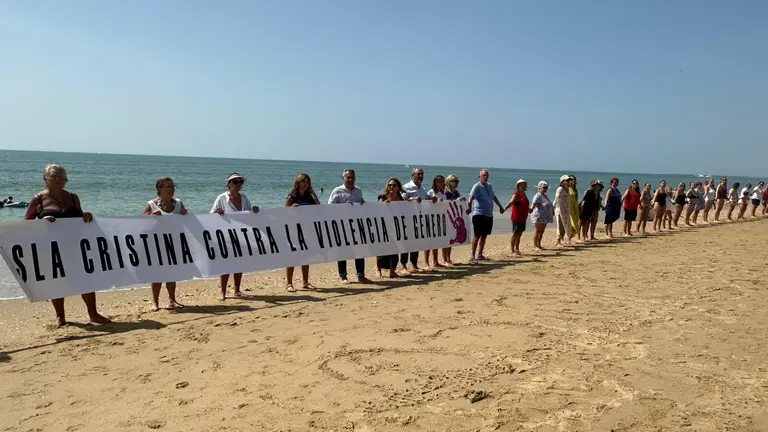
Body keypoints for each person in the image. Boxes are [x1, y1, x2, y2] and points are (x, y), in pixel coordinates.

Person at [23, 164, 111, 327]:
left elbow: (79, 219)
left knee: (86, 278)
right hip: (51, 247)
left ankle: (93, 314)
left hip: (75, 245)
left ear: (66, 180)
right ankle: (60, 317)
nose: (58, 179)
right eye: (54, 176)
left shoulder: (73, 197)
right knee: (58, 280)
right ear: (45, 178)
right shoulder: (39, 199)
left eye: (61, 177)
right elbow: (26, 223)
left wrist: (86, 215)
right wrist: (41, 223)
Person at [211, 173, 260, 300]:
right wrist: (217, 212)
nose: (238, 184)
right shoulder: (221, 198)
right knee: (226, 264)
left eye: (240, 182)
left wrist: (254, 211)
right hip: (226, 236)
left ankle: (237, 290)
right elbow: (210, 215)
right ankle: (223, 292)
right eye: (235, 182)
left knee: (239, 264)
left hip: (241, 235)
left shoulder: (244, 198)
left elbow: (248, 214)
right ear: (229, 184)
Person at [143, 177, 188, 311]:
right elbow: (141, 221)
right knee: (157, 273)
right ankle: (155, 302)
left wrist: (185, 215)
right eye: (168, 186)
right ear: (160, 188)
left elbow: (187, 221)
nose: (171, 189)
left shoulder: (178, 203)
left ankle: (172, 300)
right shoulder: (152, 204)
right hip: (156, 243)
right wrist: (151, 215)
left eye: (173, 186)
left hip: (174, 242)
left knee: (171, 273)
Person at [328, 169, 370, 284]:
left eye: (352, 177)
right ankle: (343, 276)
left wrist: (363, 203)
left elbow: (361, 205)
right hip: (342, 226)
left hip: (356, 225)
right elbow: (329, 208)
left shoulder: (358, 191)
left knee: (360, 250)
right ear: (343, 178)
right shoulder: (337, 191)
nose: (350, 179)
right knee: (343, 251)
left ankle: (361, 275)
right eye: (348, 177)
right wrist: (342, 207)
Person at [285, 173, 320, 292]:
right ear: (298, 183)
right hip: (294, 230)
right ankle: (289, 283)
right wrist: (291, 209)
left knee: (306, 256)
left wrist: (314, 193)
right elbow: (283, 212)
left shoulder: (309, 197)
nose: (305, 184)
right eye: (303, 181)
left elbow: (318, 207)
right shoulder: (292, 196)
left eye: (307, 182)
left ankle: (305, 282)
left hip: (307, 229)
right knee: (292, 256)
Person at [401, 168, 438, 271]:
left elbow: (425, 199)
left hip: (419, 219)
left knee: (416, 243)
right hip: (407, 218)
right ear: (413, 175)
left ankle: (414, 264)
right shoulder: (406, 187)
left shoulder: (422, 188)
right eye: (418, 174)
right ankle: (403, 265)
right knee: (406, 243)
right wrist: (413, 199)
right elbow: (401, 200)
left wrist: (431, 199)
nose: (420, 176)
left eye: (422, 174)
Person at [465, 169, 505, 263]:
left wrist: (500, 206)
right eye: (483, 175)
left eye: (487, 175)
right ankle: (472, 256)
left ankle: (480, 254)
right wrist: (469, 207)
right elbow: (470, 197)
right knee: (477, 235)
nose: (485, 177)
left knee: (484, 235)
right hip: (479, 214)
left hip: (488, 214)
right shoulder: (477, 186)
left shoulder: (489, 186)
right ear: (480, 176)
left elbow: (493, 196)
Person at [376, 178, 407, 278]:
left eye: (394, 185)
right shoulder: (384, 197)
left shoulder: (400, 199)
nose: (391, 187)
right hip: (384, 226)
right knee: (382, 250)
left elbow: (406, 209)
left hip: (395, 227)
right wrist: (385, 204)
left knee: (394, 250)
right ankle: (378, 270)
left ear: (398, 187)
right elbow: (377, 208)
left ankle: (392, 270)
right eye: (390, 185)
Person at [503, 179, 530, 256]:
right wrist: (504, 209)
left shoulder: (524, 194)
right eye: (523, 185)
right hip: (516, 217)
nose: (525, 186)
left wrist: (529, 209)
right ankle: (512, 250)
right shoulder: (516, 194)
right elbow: (511, 203)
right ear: (518, 186)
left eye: (525, 185)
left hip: (523, 217)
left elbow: (525, 204)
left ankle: (517, 249)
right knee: (515, 233)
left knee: (520, 234)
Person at [426, 175, 447, 268]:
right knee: (429, 242)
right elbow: (425, 204)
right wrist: (431, 200)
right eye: (439, 181)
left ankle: (435, 261)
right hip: (430, 219)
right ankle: (426, 262)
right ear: (435, 182)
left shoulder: (443, 194)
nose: (441, 183)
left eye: (442, 181)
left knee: (437, 242)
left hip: (439, 220)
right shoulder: (431, 192)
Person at [442, 175, 462, 265]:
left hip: (454, 219)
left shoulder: (456, 193)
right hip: (447, 217)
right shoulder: (446, 193)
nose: (456, 183)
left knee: (451, 238)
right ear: (448, 182)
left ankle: (449, 258)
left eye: (457, 181)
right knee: (446, 240)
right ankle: (445, 259)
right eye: (454, 181)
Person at [530, 181, 553, 250]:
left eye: (546, 188)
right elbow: (533, 204)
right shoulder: (537, 195)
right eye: (544, 188)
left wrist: (552, 211)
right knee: (537, 230)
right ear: (539, 188)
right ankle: (535, 245)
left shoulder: (545, 196)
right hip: (538, 216)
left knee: (542, 231)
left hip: (545, 216)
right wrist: (530, 210)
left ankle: (539, 244)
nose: (545, 189)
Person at [553, 175, 572, 246]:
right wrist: (553, 207)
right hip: (560, 209)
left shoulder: (568, 189)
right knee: (560, 225)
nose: (568, 182)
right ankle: (558, 241)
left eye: (568, 180)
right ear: (562, 182)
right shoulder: (560, 189)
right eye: (566, 180)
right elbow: (556, 199)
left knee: (565, 225)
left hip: (566, 210)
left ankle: (562, 239)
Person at [568, 176, 581, 242]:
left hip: (575, 208)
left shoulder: (575, 189)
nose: (572, 181)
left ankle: (568, 238)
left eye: (574, 180)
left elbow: (576, 200)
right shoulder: (567, 188)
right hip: (569, 209)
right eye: (571, 180)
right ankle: (567, 238)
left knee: (576, 225)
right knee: (571, 225)